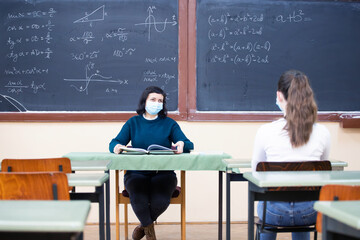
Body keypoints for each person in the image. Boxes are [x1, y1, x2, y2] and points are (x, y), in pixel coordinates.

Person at [252, 70, 331, 240]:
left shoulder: (265, 131)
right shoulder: (323, 133)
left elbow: (256, 174)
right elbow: (323, 174)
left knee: (267, 203)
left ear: (279, 96)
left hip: (273, 213)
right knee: (305, 198)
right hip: (310, 213)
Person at [109, 86, 194, 240]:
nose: (157, 103)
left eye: (160, 101)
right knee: (138, 197)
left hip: (164, 174)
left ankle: (143, 227)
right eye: (153, 100)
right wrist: (116, 147)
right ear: (145, 101)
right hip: (136, 173)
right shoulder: (133, 122)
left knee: (160, 201)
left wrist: (181, 144)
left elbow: (189, 144)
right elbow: (114, 142)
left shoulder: (169, 123)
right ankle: (151, 236)